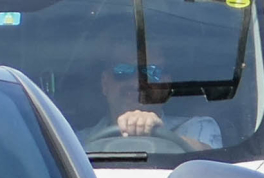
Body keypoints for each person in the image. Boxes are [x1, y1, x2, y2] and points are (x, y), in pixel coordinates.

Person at [79, 60, 223, 151]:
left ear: (166, 86)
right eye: (122, 71)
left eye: (151, 72)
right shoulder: (74, 142)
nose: (136, 83)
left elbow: (213, 166)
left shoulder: (196, 127)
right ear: (105, 84)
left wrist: (157, 133)